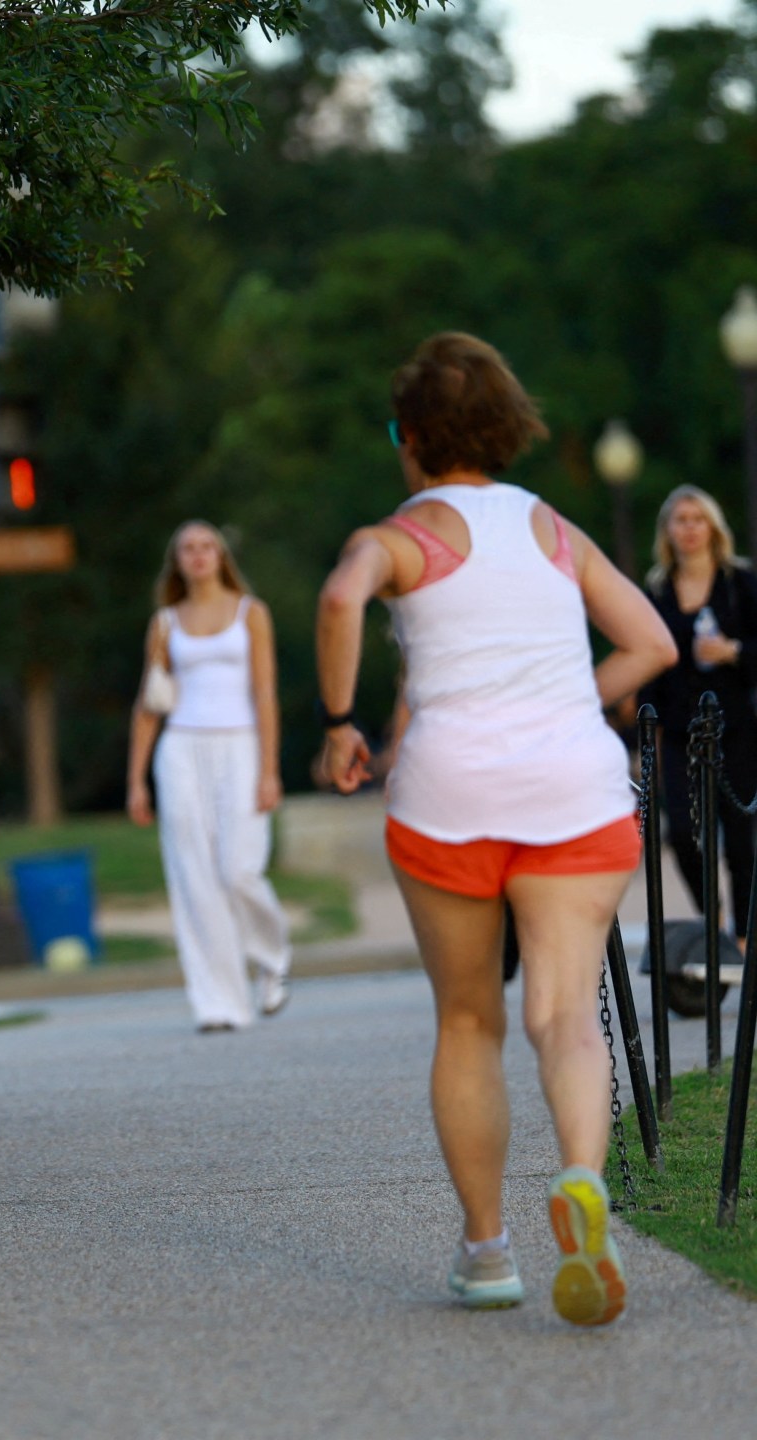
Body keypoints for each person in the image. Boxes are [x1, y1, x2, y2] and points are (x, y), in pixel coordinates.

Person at [316, 332, 675, 1326]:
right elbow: (653, 640)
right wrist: (565, 698)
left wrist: (342, 725)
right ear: (509, 427)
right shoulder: (557, 531)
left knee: (469, 1021)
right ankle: (583, 1180)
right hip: (576, 792)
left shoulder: (401, 534)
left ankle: (488, 1253)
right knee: (565, 1014)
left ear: (415, 434)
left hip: (451, 798)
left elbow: (342, 594)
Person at [125, 522, 291, 1032]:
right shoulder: (166, 622)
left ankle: (272, 958)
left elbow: (265, 695)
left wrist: (270, 770)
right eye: (187, 549)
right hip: (181, 750)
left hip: (240, 745)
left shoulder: (250, 613)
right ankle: (219, 1003)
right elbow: (150, 705)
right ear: (177, 561)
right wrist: (136, 782)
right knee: (194, 876)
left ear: (221, 556)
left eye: (206, 547)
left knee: (239, 868)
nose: (198, 556)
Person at [639, 484, 757, 946]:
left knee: (739, 835)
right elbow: (646, 659)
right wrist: (641, 733)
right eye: (680, 519)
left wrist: (732, 650)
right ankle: (715, 916)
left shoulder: (741, 584)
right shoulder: (657, 591)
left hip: (735, 727)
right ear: (668, 530)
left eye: (697, 518)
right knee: (683, 833)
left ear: (712, 527)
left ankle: (744, 938)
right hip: (677, 728)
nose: (689, 528)